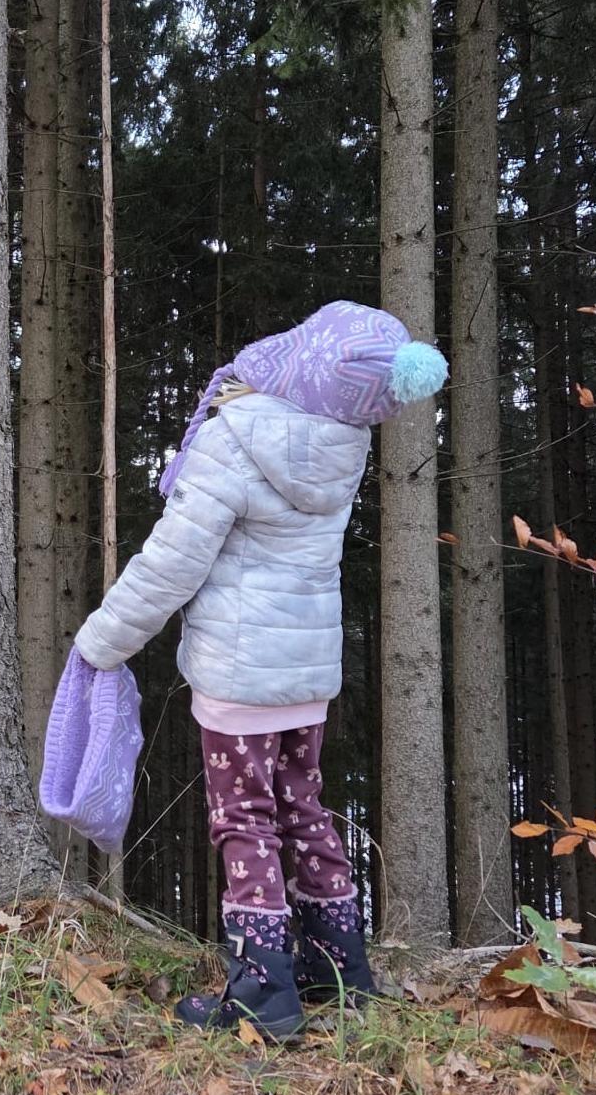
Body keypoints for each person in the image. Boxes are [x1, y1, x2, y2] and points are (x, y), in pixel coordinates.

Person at [72, 300, 447, 1038]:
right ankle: (340, 967)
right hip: (307, 679)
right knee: (301, 808)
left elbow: (172, 563)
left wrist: (101, 640)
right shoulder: (341, 444)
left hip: (240, 679)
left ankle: (261, 989)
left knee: (243, 820)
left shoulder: (235, 439)